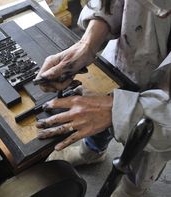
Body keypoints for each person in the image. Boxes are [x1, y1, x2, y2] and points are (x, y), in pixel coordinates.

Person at [34, 0, 171, 196]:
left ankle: (132, 189)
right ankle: (91, 153)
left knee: (144, 156)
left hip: (164, 104)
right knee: (94, 117)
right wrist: (87, 44)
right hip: (121, 58)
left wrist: (118, 111)